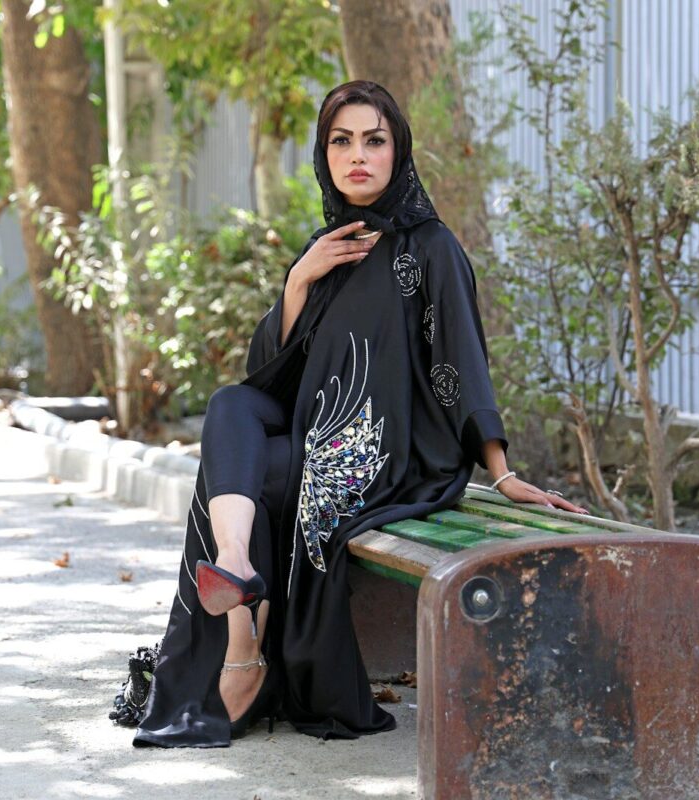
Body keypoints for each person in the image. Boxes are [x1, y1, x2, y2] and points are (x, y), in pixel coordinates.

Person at [110, 79, 588, 748]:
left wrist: (500, 469)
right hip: (315, 433)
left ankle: (244, 640)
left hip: (388, 450)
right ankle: (237, 570)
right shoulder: (330, 243)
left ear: (399, 152)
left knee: (263, 473)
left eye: (374, 140)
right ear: (323, 154)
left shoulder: (432, 248)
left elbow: (461, 366)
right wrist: (300, 279)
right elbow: (276, 373)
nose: (356, 155)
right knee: (230, 409)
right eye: (341, 141)